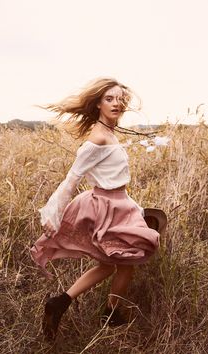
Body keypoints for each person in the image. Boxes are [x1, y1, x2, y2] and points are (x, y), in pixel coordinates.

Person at [30, 77, 167, 341]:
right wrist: (54, 213)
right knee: (128, 263)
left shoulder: (109, 132)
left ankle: (60, 304)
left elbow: (114, 178)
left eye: (120, 98)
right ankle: (111, 315)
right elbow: (72, 178)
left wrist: (133, 207)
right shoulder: (98, 137)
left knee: (108, 266)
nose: (117, 103)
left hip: (120, 203)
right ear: (98, 104)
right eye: (109, 99)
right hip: (108, 208)